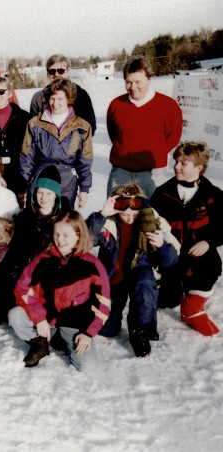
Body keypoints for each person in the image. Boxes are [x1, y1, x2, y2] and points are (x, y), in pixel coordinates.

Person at [9, 211, 111, 371]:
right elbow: (22, 289)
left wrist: (88, 333)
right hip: (46, 318)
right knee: (15, 316)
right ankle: (40, 344)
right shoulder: (43, 260)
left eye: (65, 235)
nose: (60, 239)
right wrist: (39, 319)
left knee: (88, 367)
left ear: (78, 235)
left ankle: (62, 340)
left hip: (75, 324)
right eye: (56, 234)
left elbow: (103, 304)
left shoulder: (92, 265)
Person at [87, 183, 180, 357]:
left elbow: (171, 261)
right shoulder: (107, 222)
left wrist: (161, 245)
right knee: (107, 330)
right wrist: (101, 215)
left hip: (140, 271)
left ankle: (140, 331)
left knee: (145, 286)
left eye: (134, 212)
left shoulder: (153, 220)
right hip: (114, 276)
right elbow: (85, 241)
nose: (129, 218)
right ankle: (111, 319)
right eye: (124, 213)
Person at [0, 166, 70, 328]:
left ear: (56, 196)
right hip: (24, 277)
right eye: (40, 192)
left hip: (51, 281)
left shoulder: (65, 219)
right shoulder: (25, 217)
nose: (43, 198)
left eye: (49, 194)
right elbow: (13, 258)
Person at [151, 141, 223, 337]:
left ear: (199, 168)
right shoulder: (162, 193)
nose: (176, 167)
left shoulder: (213, 195)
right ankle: (173, 291)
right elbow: (150, 222)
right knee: (166, 300)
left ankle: (191, 308)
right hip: (170, 255)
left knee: (212, 265)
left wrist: (208, 242)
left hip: (196, 253)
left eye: (184, 163)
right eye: (176, 161)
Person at [107, 57, 183, 198]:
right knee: (116, 214)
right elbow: (114, 134)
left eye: (137, 82)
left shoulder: (168, 106)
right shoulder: (116, 105)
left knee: (154, 216)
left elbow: (173, 136)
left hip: (153, 172)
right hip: (120, 172)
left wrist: (156, 152)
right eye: (128, 82)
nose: (133, 87)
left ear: (149, 79)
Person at [20, 78, 93, 209]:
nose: (55, 103)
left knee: (62, 222)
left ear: (68, 100)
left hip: (67, 183)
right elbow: (26, 158)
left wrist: (84, 189)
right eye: (52, 99)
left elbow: (85, 162)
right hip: (40, 179)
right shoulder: (35, 124)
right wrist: (23, 185)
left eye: (60, 99)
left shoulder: (82, 127)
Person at [29, 54, 96, 135]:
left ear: (67, 71)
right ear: (47, 73)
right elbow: (33, 130)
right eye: (52, 71)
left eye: (60, 70)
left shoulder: (81, 95)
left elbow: (89, 127)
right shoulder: (38, 98)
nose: (56, 74)